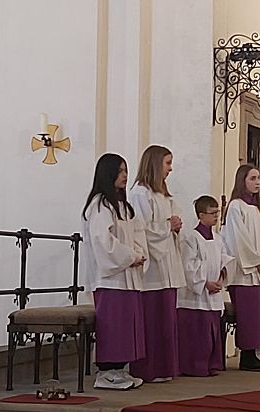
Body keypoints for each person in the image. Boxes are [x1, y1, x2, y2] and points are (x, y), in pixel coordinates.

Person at [81, 153, 148, 390]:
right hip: (110, 279)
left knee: (126, 323)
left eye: (126, 170)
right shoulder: (100, 204)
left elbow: (138, 234)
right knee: (113, 324)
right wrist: (131, 257)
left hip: (127, 275)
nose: (125, 175)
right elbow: (103, 240)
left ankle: (119, 369)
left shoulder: (124, 206)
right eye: (120, 171)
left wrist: (139, 255)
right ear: (108, 173)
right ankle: (106, 371)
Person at [128, 145, 185, 382]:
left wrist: (176, 226)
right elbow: (141, 229)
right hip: (153, 267)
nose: (171, 169)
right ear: (154, 164)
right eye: (167, 163)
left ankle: (165, 367)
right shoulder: (141, 193)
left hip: (168, 262)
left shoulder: (163, 194)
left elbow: (170, 223)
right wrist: (166, 227)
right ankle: (149, 369)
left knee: (166, 319)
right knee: (152, 319)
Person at [222, 164, 260, 372]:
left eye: (258, 178)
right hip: (244, 273)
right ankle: (246, 356)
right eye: (253, 178)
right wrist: (256, 262)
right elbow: (238, 240)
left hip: (259, 272)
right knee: (249, 316)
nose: (257, 182)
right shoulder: (236, 207)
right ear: (242, 181)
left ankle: (255, 354)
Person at [177, 195, 234, 376]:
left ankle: (211, 364)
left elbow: (225, 259)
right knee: (198, 335)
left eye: (218, 213)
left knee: (212, 333)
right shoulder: (191, 238)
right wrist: (204, 283)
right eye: (213, 213)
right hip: (197, 297)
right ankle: (194, 366)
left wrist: (221, 277)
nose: (216, 217)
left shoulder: (217, 239)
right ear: (201, 215)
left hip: (213, 292)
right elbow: (189, 266)